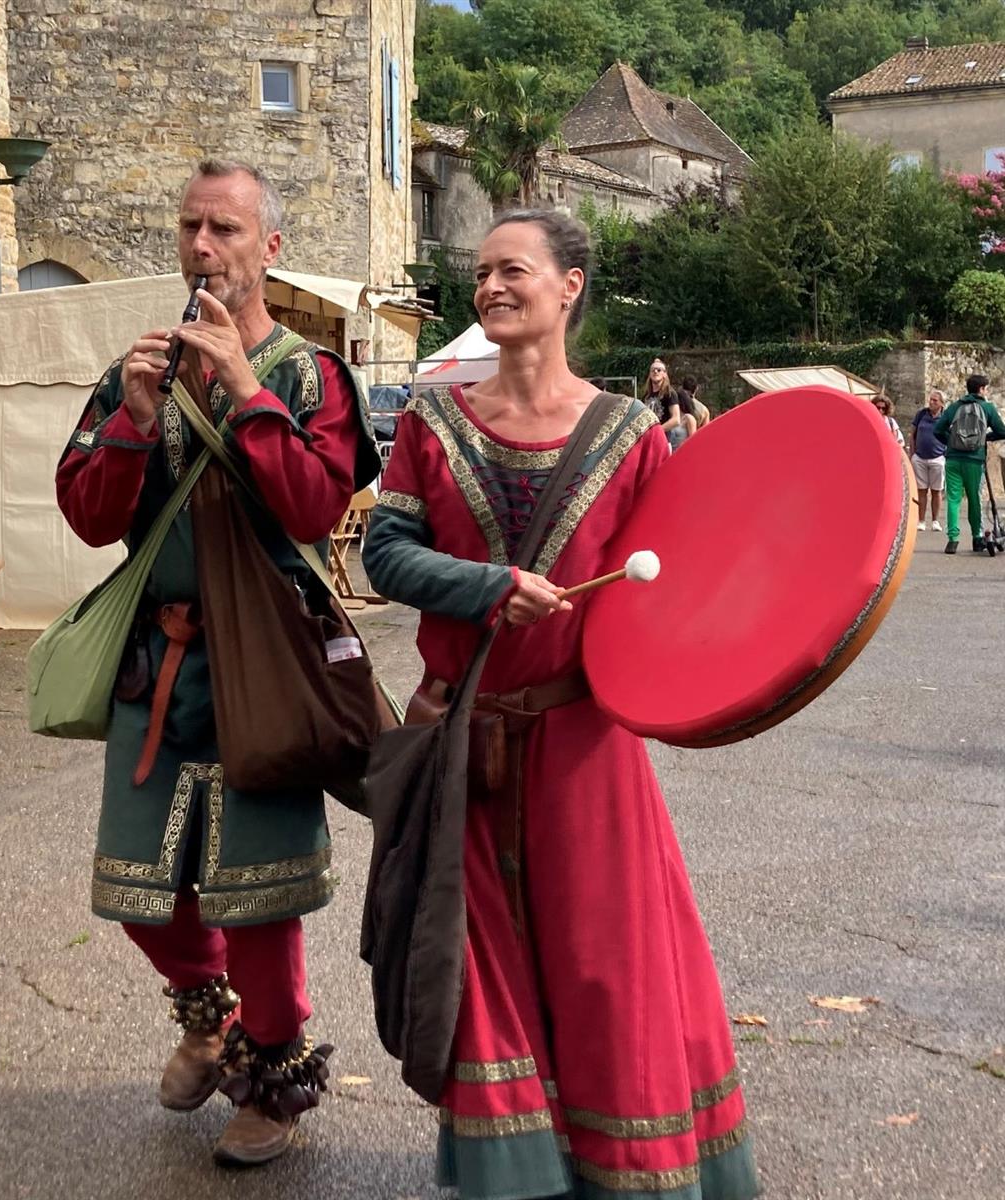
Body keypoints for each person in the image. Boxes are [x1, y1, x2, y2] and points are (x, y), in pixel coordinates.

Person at [363, 210, 759, 1200]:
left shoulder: (631, 434)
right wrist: (486, 586)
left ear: (568, 286)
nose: (491, 285)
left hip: (587, 747)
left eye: (514, 269)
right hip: (462, 742)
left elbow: (673, 595)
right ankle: (514, 1180)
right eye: (481, 272)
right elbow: (385, 555)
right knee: (479, 976)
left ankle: (624, 1173)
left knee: (606, 968)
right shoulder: (428, 420)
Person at [56, 160, 378, 1167]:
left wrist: (243, 390)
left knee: (261, 896)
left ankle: (273, 1087)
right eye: (191, 226)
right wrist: (134, 417)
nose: (203, 247)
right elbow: (89, 518)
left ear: (268, 250)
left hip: (269, 666)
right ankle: (209, 1020)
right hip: (158, 665)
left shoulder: (308, 375)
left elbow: (316, 508)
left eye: (226, 230)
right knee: (136, 891)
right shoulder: (132, 370)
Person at [934, 373, 1005, 554]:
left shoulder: (955, 407)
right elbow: (1002, 431)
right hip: (974, 459)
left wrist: (951, 442)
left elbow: (938, 430)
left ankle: (952, 539)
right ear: (981, 389)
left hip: (953, 459)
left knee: (953, 499)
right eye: (986, 388)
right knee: (975, 499)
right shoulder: (987, 407)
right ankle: (977, 537)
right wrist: (985, 438)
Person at [909, 389, 947, 532]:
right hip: (919, 457)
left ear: (942, 404)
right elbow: (912, 434)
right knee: (921, 490)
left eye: (935, 400)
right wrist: (912, 454)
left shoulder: (945, 417)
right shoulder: (921, 414)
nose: (931, 402)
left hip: (938, 458)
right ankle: (921, 520)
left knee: (937, 491)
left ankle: (935, 520)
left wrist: (946, 455)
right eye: (930, 399)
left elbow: (951, 436)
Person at [643, 357, 683, 440]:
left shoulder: (670, 393)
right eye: (653, 370)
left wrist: (657, 431)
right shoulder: (646, 395)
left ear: (664, 374)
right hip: (648, 440)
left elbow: (676, 419)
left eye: (659, 370)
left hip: (663, 440)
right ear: (650, 374)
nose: (655, 371)